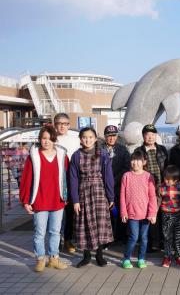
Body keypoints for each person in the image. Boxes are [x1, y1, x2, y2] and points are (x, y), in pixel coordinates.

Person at [19, 126, 69, 272]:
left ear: (54, 139)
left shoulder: (62, 156)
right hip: (39, 200)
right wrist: (25, 201)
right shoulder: (33, 156)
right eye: (43, 138)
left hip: (57, 200)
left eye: (49, 138)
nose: (46, 141)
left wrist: (67, 196)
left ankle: (54, 258)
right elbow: (26, 179)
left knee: (55, 232)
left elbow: (67, 178)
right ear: (40, 139)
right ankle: (40, 259)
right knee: (39, 233)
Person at [69, 127, 115, 268]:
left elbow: (108, 176)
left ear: (95, 139)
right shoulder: (76, 155)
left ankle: (100, 255)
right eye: (84, 137)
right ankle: (86, 256)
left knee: (100, 224)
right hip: (83, 192)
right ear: (80, 139)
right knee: (85, 224)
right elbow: (73, 178)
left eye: (90, 137)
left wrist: (110, 196)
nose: (87, 139)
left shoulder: (103, 154)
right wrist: (75, 200)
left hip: (100, 191)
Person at [120, 151, 157, 269]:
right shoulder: (126, 176)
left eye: (138, 160)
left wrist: (153, 213)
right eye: (133, 160)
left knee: (144, 238)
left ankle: (141, 258)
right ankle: (126, 258)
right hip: (131, 213)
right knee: (133, 237)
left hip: (146, 214)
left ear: (144, 162)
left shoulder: (148, 176)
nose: (135, 163)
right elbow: (122, 195)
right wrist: (123, 212)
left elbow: (152, 196)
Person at [134, 124, 168, 252]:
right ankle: (151, 242)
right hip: (146, 188)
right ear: (143, 136)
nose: (150, 137)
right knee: (149, 214)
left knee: (163, 215)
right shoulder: (139, 151)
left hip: (162, 186)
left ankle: (163, 241)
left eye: (153, 134)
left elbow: (167, 167)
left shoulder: (162, 150)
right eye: (147, 134)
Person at [54, 113, 80, 253]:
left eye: (65, 123)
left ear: (69, 125)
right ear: (55, 125)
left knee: (70, 213)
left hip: (71, 179)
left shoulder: (75, 140)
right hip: (54, 181)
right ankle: (55, 240)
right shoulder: (50, 139)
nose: (62, 126)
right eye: (59, 123)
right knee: (56, 212)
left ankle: (68, 240)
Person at [102, 125, 131, 244]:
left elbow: (127, 167)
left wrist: (114, 180)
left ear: (117, 136)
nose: (111, 138)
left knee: (119, 211)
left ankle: (120, 236)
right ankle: (106, 237)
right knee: (105, 212)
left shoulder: (123, 149)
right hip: (103, 186)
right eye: (109, 136)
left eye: (114, 136)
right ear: (105, 137)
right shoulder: (99, 149)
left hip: (119, 185)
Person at [159, 165, 180, 267]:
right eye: (165, 178)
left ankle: (179, 256)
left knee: (178, 236)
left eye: (169, 179)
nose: (166, 181)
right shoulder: (161, 187)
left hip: (179, 213)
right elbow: (158, 200)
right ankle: (167, 256)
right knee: (167, 236)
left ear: (176, 180)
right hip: (166, 214)